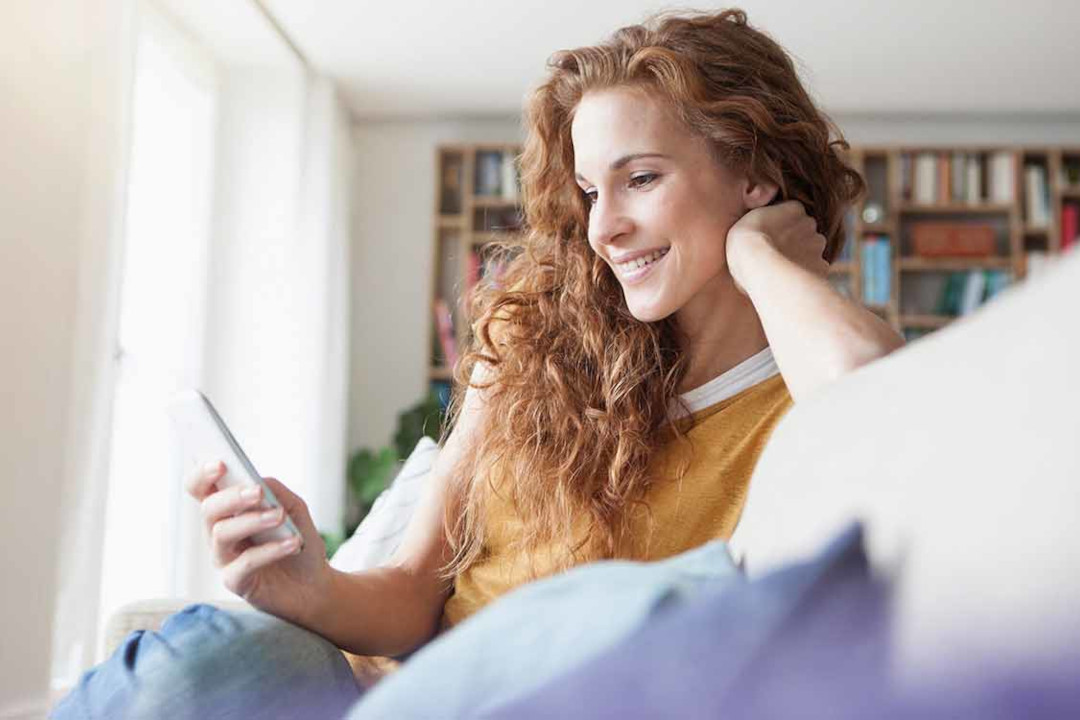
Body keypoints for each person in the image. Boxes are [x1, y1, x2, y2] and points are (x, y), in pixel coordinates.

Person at [52, 8, 903, 718]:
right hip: (372, 693)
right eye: (592, 192)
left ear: (754, 172)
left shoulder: (808, 375)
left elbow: (876, 409)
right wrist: (307, 585)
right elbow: (413, 592)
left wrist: (762, 259)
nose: (603, 229)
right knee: (192, 668)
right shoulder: (537, 345)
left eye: (641, 178)